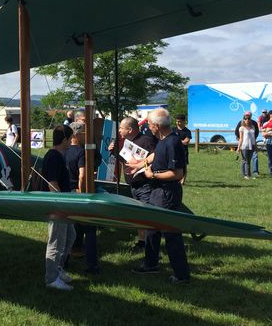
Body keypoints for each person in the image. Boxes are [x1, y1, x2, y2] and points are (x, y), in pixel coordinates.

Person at [130, 108, 190, 284]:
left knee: (171, 234)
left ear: (156, 126)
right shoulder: (163, 141)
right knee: (151, 228)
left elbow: (177, 174)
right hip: (157, 192)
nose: (148, 127)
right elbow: (156, 154)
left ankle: (181, 275)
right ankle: (150, 264)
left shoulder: (173, 143)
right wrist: (140, 163)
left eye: (149, 124)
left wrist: (152, 175)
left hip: (167, 193)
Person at [108, 117, 156, 252]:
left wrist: (144, 167)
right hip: (134, 185)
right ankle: (142, 241)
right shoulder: (129, 141)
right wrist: (114, 152)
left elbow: (154, 158)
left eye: (121, 128)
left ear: (129, 129)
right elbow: (127, 161)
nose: (119, 130)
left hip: (145, 184)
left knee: (145, 215)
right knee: (138, 215)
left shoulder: (145, 141)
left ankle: (150, 246)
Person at [41, 125, 75, 291]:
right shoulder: (54, 157)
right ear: (64, 140)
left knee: (70, 236)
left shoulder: (58, 155)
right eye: (70, 138)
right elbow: (52, 183)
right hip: (57, 205)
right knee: (56, 241)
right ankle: (51, 278)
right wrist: (59, 203)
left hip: (64, 203)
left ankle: (59, 269)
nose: (71, 141)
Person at [66, 122, 99, 273]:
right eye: (84, 133)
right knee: (90, 228)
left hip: (65, 192)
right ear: (76, 135)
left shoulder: (64, 151)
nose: (86, 136)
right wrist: (82, 190)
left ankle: (66, 259)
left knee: (67, 229)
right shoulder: (81, 152)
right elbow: (82, 174)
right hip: (78, 191)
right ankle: (92, 265)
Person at [234, 112, 259, 176]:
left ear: (250, 119)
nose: (247, 120)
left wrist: (256, 146)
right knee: (246, 160)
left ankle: (244, 173)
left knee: (247, 160)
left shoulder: (253, 126)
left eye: (248, 118)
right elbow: (241, 138)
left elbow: (254, 137)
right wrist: (238, 148)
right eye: (246, 119)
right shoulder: (241, 128)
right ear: (244, 120)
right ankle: (247, 175)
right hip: (244, 146)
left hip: (252, 145)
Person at [172, 114, 192, 184]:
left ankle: (182, 181)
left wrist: (176, 140)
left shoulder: (187, 131)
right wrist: (181, 141)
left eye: (180, 121)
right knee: (173, 165)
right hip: (174, 151)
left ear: (184, 122)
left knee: (184, 166)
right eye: (177, 121)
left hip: (183, 151)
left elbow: (186, 142)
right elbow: (170, 140)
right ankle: (174, 178)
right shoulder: (173, 130)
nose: (178, 123)